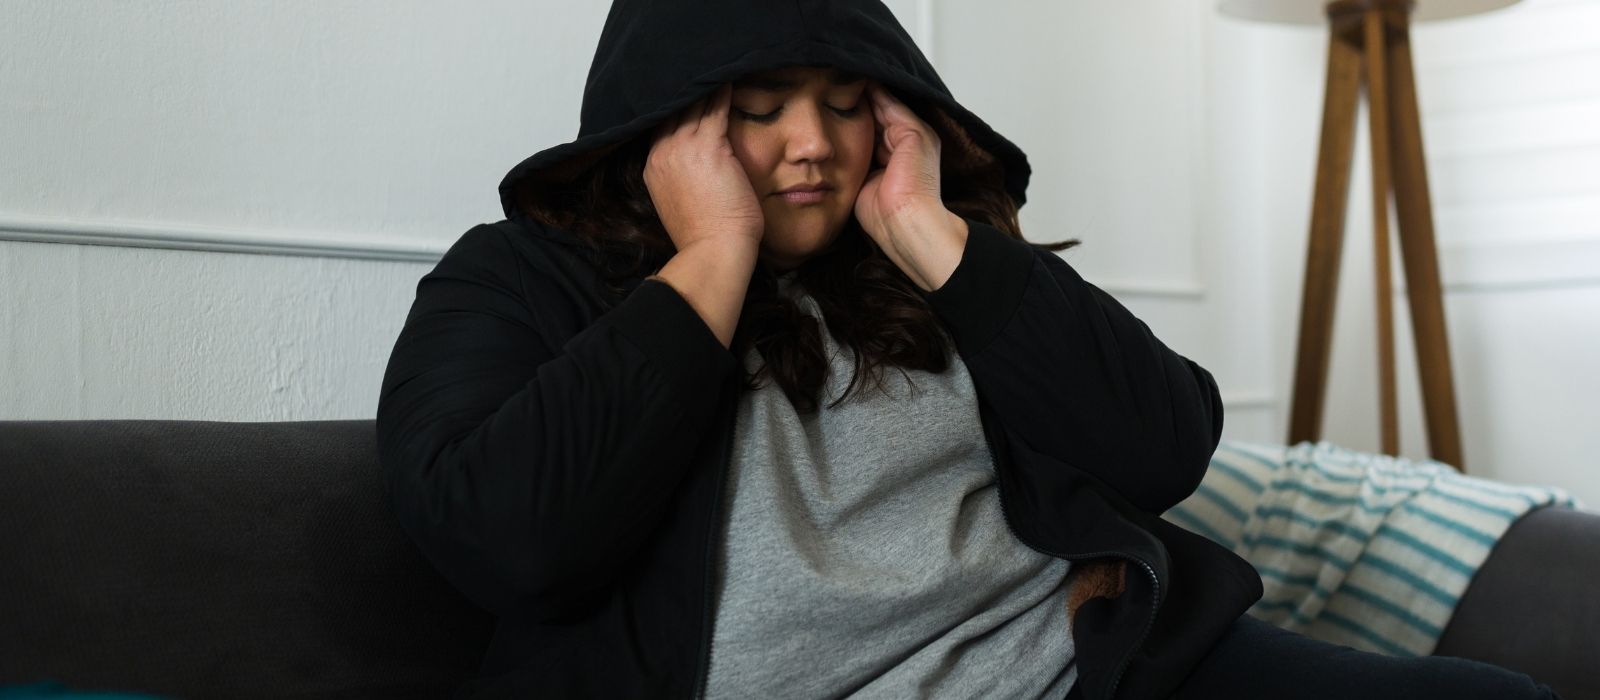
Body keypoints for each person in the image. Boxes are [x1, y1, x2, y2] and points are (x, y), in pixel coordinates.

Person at [374, 1, 1563, 698]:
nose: (814, 143)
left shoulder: (924, 261)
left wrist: (935, 234)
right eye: (761, 104)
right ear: (671, 123)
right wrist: (709, 259)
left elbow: (1164, 443)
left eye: (844, 100)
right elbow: (506, 540)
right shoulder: (522, 275)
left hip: (1101, 669)